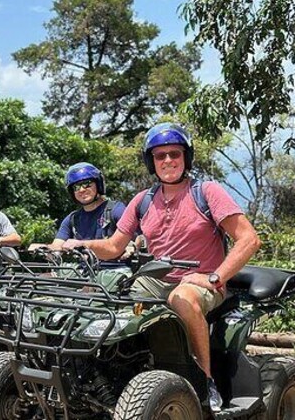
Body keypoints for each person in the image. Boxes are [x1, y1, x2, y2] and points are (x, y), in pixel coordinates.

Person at [62, 123, 261, 412]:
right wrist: (81, 244)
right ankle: (110, 375)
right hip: (154, 279)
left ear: (186, 158)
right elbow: (116, 246)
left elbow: (249, 239)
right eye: (160, 156)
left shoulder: (207, 192)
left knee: (182, 297)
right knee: (108, 298)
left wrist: (215, 277)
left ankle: (204, 382)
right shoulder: (143, 200)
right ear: (151, 162)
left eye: (174, 154)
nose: (167, 161)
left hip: (201, 282)